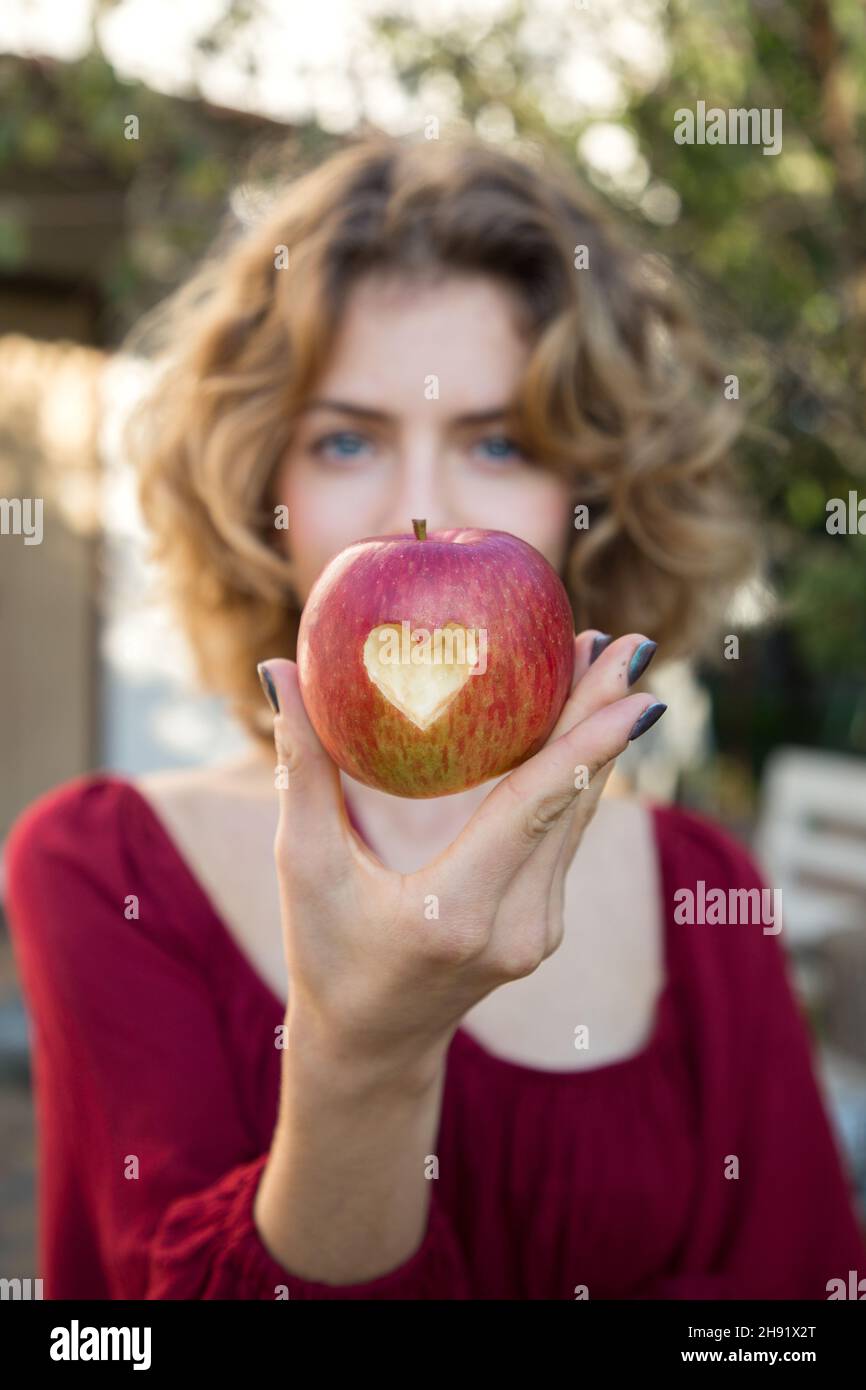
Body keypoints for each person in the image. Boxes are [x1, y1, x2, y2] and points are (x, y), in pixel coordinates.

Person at [5, 130, 865, 1300]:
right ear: (266, 482)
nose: (417, 507)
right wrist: (365, 1056)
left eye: (499, 441)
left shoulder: (705, 897)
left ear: (589, 498)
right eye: (346, 437)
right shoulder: (102, 866)